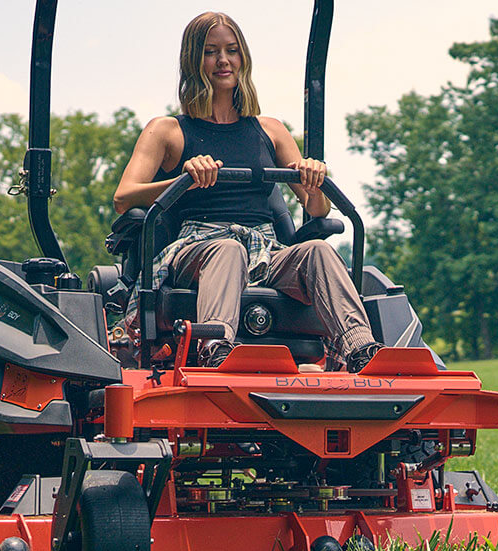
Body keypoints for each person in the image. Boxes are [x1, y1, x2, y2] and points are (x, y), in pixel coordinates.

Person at [111, 11, 382, 372]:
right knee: (228, 250)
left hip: (265, 249)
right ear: (194, 60)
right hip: (201, 247)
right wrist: (185, 179)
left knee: (317, 250)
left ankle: (362, 351)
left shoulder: (270, 130)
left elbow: (318, 211)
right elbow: (123, 197)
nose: (223, 61)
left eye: (231, 50)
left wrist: (314, 178)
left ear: (243, 58)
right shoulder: (168, 131)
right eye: (210, 52)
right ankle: (217, 350)